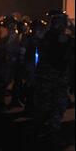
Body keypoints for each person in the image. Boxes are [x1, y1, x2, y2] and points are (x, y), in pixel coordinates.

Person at [31, 10, 74, 139]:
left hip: (58, 75)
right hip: (49, 74)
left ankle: (51, 127)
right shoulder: (49, 36)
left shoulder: (63, 37)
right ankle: (41, 127)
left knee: (58, 102)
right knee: (46, 103)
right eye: (59, 22)